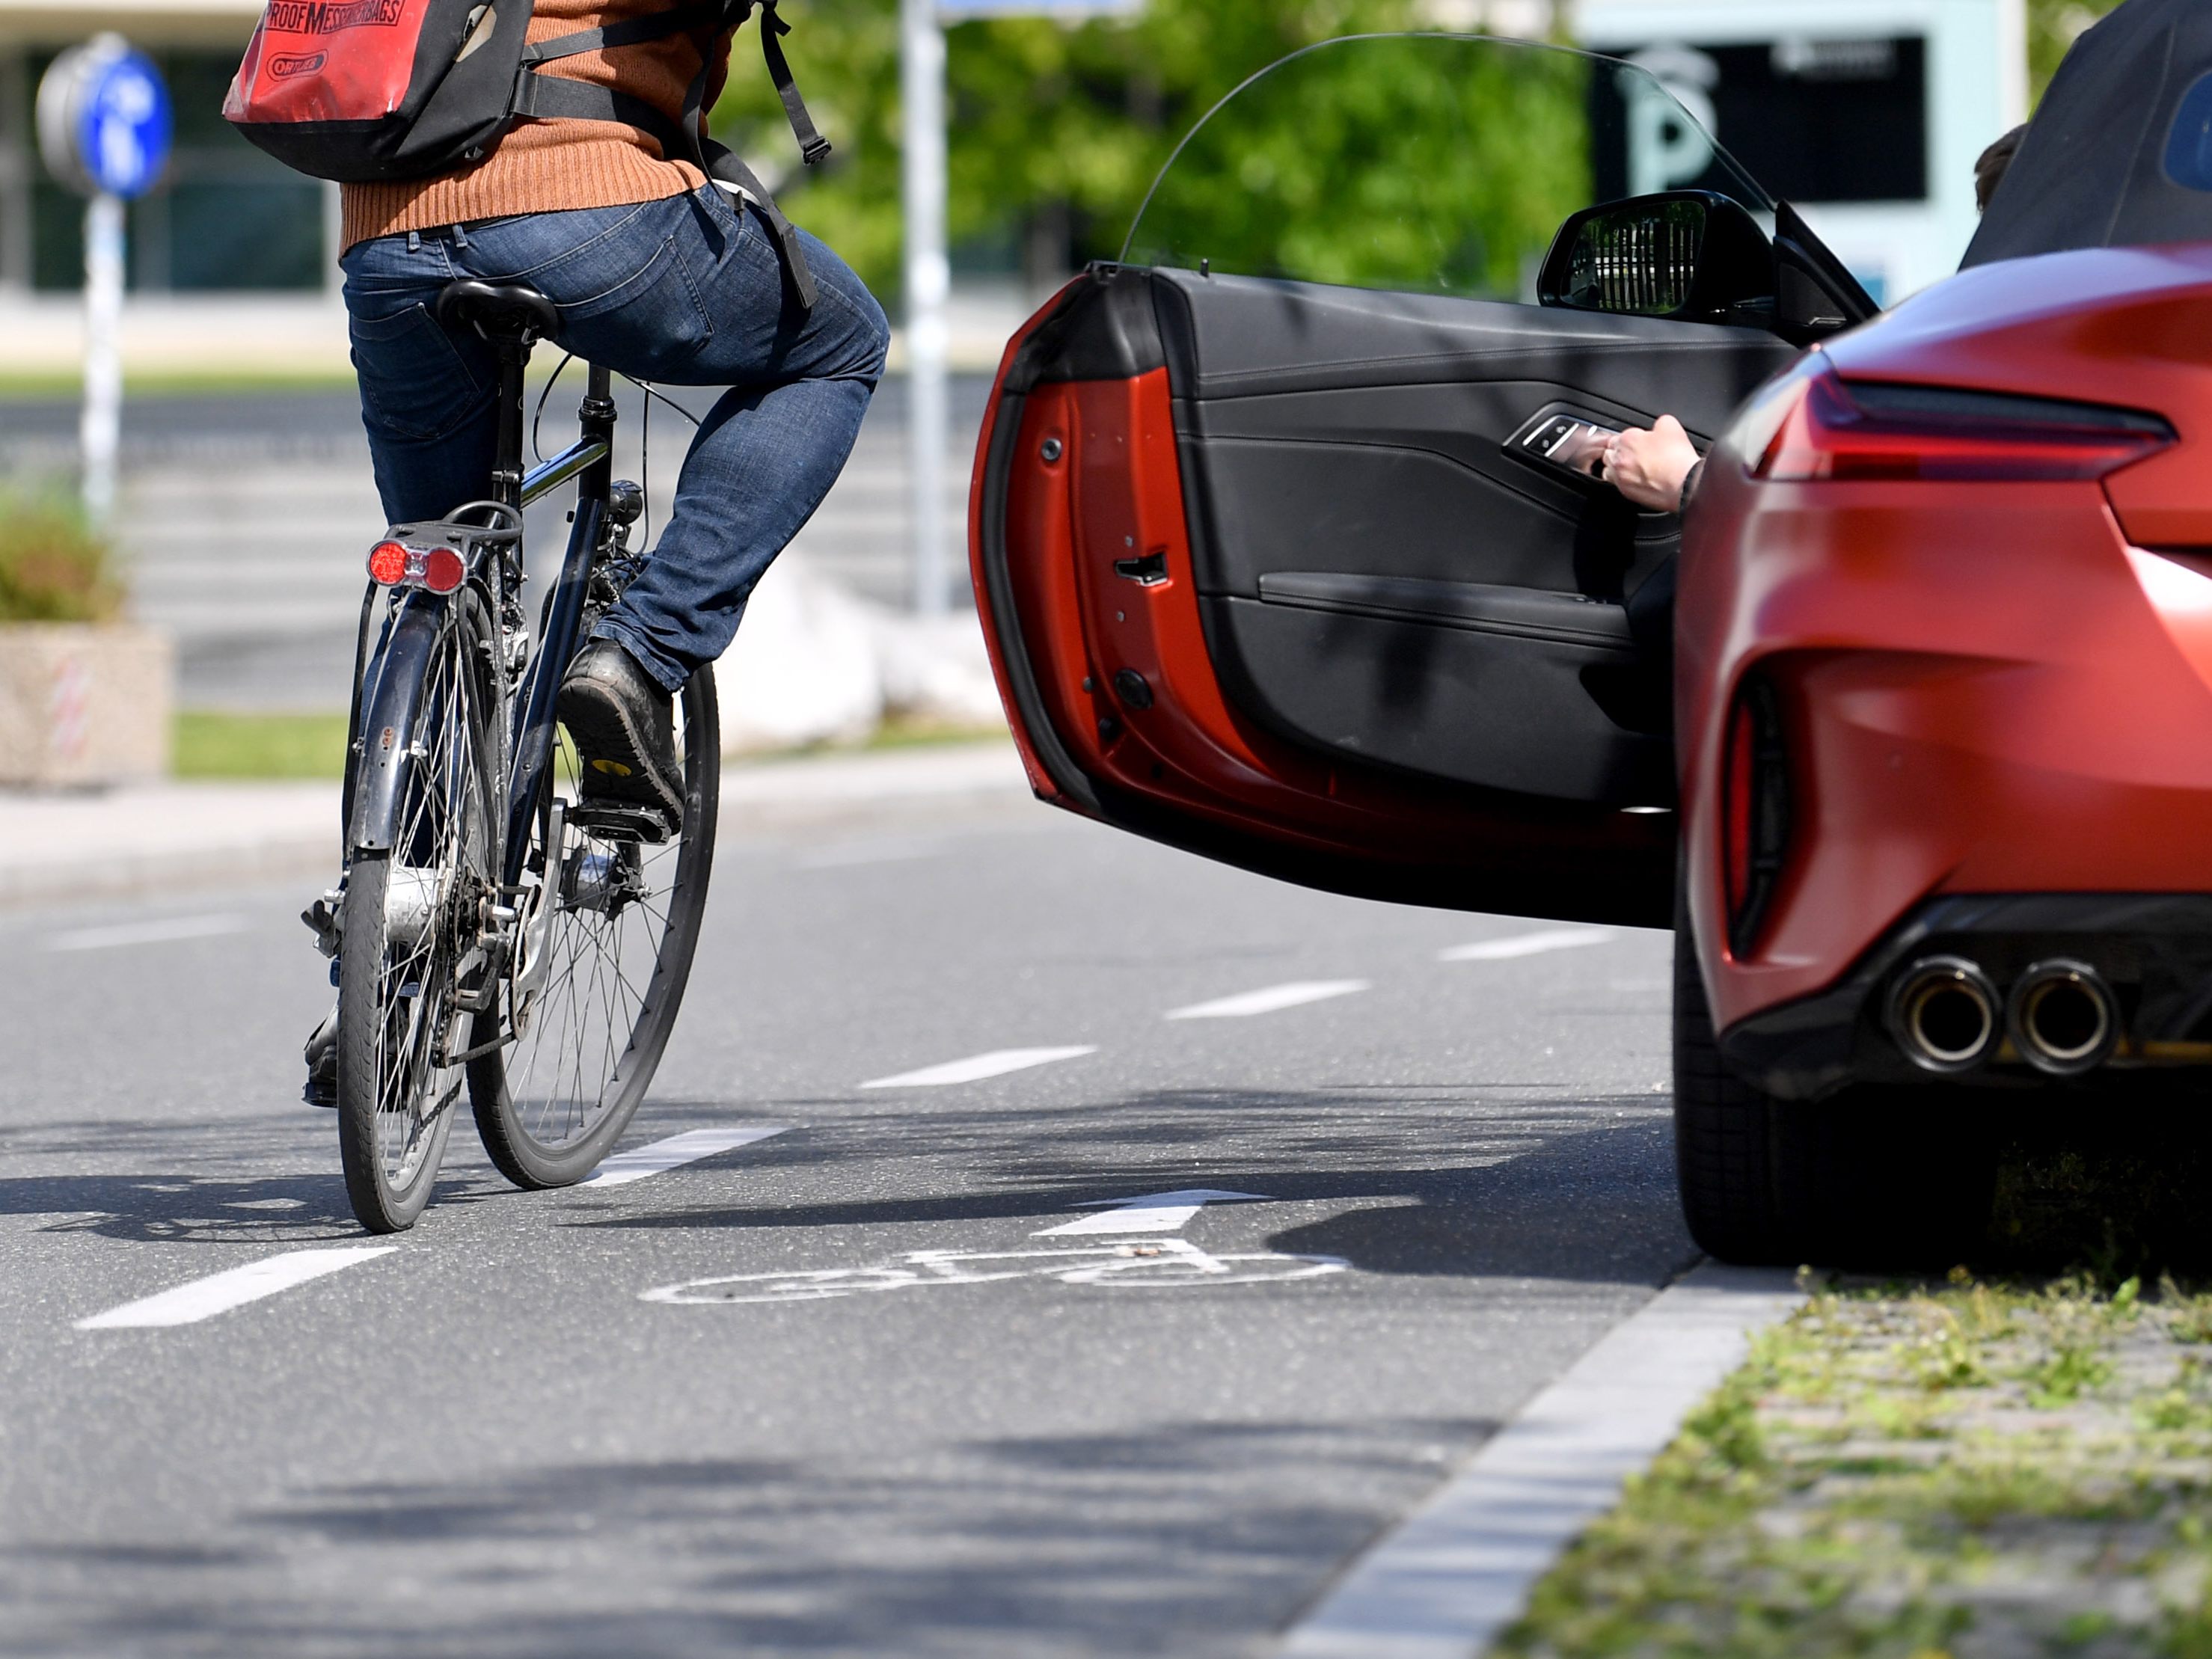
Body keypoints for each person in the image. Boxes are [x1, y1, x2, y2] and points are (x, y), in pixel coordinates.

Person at [305, 0, 889, 1101]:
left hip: (382, 234)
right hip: (584, 211)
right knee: (840, 343)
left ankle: (386, 960)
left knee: (446, 563)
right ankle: (639, 653)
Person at [1601, 123, 2029, 515]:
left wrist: (1688, 482)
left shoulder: (2015, 388)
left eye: (2000, 231)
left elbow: (1875, 524)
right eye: (1988, 228)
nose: (1985, 257)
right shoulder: (2022, 374)